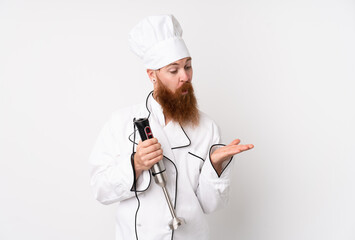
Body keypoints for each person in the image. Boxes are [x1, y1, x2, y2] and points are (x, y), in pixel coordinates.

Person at [89, 14, 254, 240]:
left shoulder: (207, 127)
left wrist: (215, 166)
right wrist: (135, 165)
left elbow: (209, 205)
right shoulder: (121, 122)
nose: (185, 76)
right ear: (152, 75)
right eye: (173, 70)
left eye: (188, 66)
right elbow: (100, 190)